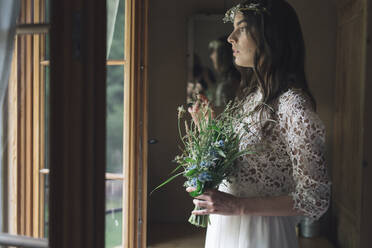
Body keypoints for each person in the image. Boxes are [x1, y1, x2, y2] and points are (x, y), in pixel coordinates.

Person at [187, 0, 331, 247]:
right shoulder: (251, 97)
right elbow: (243, 167)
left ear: (270, 36)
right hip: (225, 229)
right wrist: (207, 132)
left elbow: (315, 198)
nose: (230, 38)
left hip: (261, 234)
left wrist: (236, 206)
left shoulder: (292, 105)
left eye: (241, 28)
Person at [208, 36, 241, 108]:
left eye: (213, 51)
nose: (211, 56)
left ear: (222, 54)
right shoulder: (229, 78)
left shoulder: (227, 85)